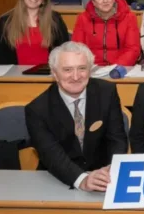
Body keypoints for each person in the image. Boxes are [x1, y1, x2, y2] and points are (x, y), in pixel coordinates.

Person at [25, 42, 128, 190]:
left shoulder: (107, 92)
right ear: (55, 73)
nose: (76, 76)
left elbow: (117, 138)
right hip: (58, 179)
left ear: (90, 70)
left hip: (103, 177)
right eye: (67, 70)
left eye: (82, 69)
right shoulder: (37, 110)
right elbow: (51, 155)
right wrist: (82, 180)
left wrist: (112, 168)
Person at [0, 0, 68, 65]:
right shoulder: (6, 22)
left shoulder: (55, 20)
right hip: (15, 76)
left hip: (47, 75)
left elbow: (64, 49)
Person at [72, 0, 140, 66]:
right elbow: (77, 48)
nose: (105, 1)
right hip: (92, 68)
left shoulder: (129, 17)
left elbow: (132, 49)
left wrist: (116, 68)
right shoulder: (83, 18)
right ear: (93, 2)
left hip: (120, 69)